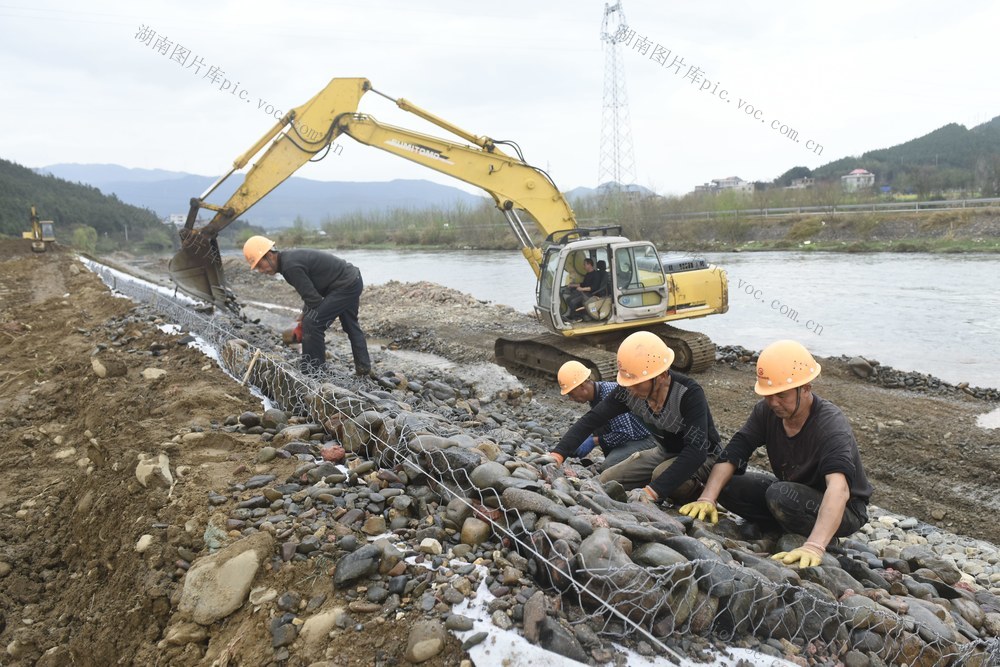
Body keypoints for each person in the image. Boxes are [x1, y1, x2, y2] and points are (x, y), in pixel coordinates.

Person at [679, 339, 874, 569]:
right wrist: (707, 498)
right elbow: (735, 451)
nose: (773, 402)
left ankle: (820, 536)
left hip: (845, 508)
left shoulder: (830, 424)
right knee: (727, 484)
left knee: (779, 494)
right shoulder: (766, 412)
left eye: (781, 395)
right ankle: (780, 528)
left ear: (806, 387)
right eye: (768, 395)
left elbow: (839, 488)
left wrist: (815, 546)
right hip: (793, 492)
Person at [546, 331, 720, 505]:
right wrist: (558, 454)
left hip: (705, 455)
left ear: (661, 377)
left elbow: (697, 450)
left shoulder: (688, 393)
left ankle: (705, 493)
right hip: (665, 451)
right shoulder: (630, 391)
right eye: (628, 384)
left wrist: (653, 491)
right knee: (607, 480)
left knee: (660, 475)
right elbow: (593, 418)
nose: (631, 390)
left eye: (636, 384)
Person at [242, 236, 372, 376]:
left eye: (260, 266)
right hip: (351, 279)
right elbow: (311, 294)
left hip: (345, 285)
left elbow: (314, 301)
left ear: (269, 255)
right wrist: (302, 318)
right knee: (349, 325)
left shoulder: (290, 267)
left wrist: (304, 324)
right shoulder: (288, 261)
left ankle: (314, 373)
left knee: (313, 324)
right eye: (257, 269)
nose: (261, 271)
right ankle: (363, 369)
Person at [556, 360, 657, 469]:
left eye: (571, 394)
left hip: (648, 438)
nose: (571, 399)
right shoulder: (596, 396)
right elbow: (592, 423)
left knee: (608, 466)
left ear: (582, 386)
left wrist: (594, 441)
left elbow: (624, 432)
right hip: (634, 437)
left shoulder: (608, 393)